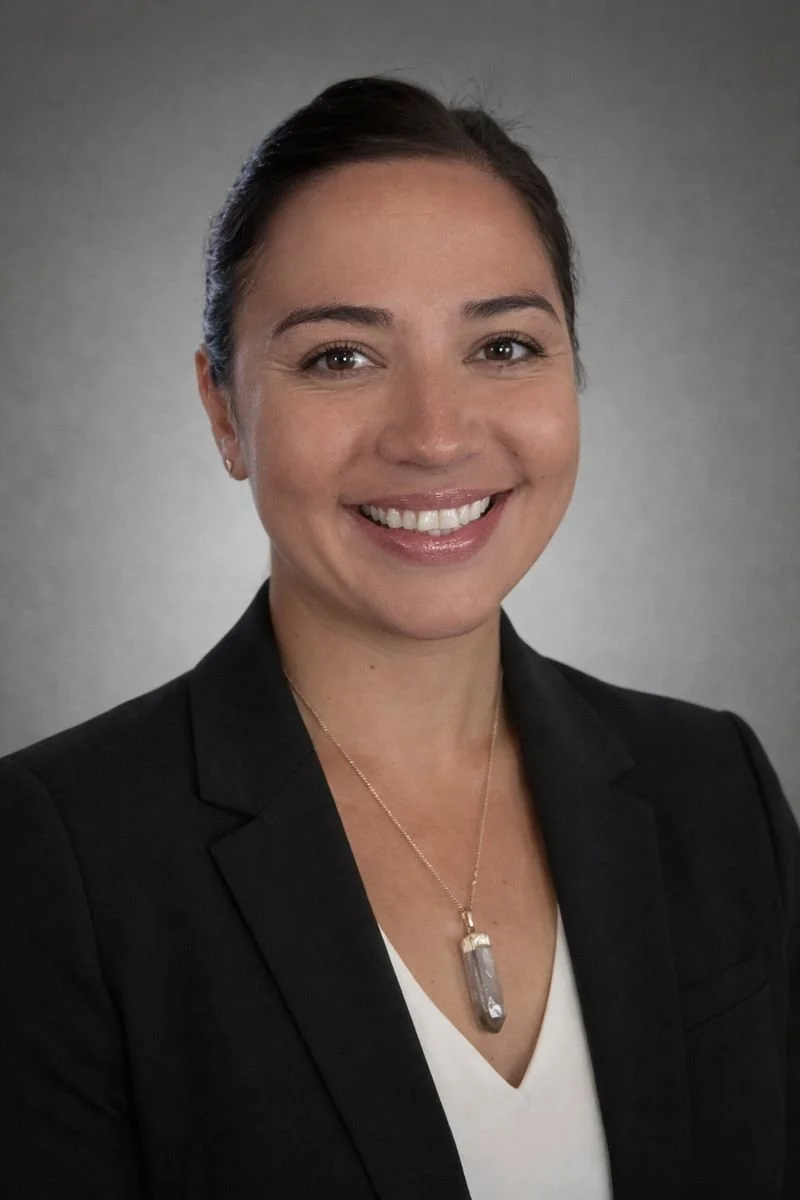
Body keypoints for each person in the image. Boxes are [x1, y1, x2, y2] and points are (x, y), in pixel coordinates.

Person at [0, 73, 797, 1200]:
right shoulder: (57, 859)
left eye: (504, 347)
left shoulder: (714, 786)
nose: (433, 436)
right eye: (341, 356)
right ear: (224, 410)